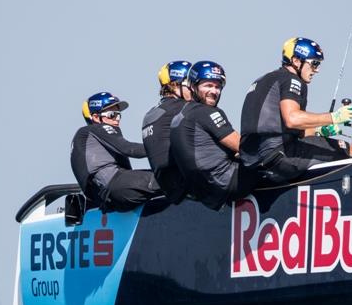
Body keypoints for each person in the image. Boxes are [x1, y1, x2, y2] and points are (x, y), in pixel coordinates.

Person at [240, 36, 352, 184]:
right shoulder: (292, 80)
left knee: (318, 142)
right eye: (314, 63)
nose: (317, 70)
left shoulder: (263, 80)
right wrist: (334, 116)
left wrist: (318, 130)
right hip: (279, 157)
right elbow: (292, 119)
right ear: (296, 61)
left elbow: (277, 125)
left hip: (252, 162)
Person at [170, 61, 258, 210]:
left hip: (205, 194)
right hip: (229, 184)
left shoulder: (178, 117)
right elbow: (244, 147)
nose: (214, 91)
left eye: (218, 87)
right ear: (193, 86)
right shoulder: (207, 112)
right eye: (208, 85)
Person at [71, 91, 160, 211]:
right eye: (112, 115)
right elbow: (130, 149)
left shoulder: (88, 138)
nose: (117, 119)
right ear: (96, 117)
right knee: (170, 177)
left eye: (118, 115)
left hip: (106, 198)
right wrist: (166, 148)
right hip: (115, 185)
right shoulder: (94, 129)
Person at [141, 61, 192, 204]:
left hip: (168, 189)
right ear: (174, 85)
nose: (194, 88)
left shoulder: (151, 113)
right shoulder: (183, 108)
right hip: (187, 188)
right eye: (190, 83)